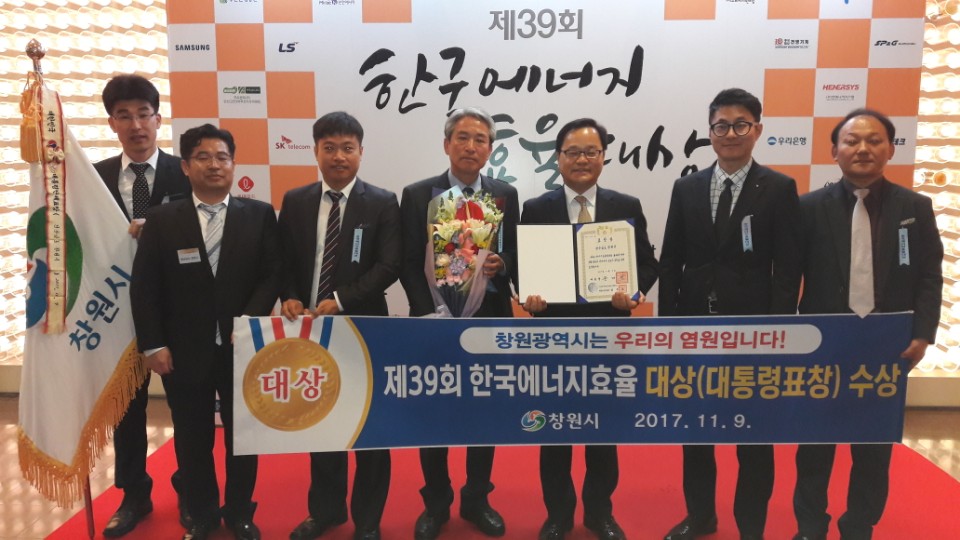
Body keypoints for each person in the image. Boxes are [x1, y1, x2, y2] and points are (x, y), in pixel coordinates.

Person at [792, 109, 943, 540]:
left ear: (891, 148)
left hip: (886, 346)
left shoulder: (915, 207)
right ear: (834, 151)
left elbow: (929, 275)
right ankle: (810, 527)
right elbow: (787, 274)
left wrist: (923, 333)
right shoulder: (808, 207)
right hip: (822, 346)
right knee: (814, 447)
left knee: (873, 451)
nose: (862, 149)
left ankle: (859, 526)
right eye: (852, 140)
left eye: (874, 140)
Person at [658, 88, 801, 540]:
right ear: (710, 132)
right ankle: (700, 517)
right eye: (721, 125)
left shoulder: (778, 188)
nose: (731, 133)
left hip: (753, 333)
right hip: (695, 330)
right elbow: (671, 260)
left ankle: (750, 527)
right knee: (696, 433)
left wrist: (777, 332)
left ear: (757, 130)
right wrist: (667, 328)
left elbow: (788, 268)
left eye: (741, 124)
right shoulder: (687, 187)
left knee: (753, 438)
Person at [130, 124, 282, 540]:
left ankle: (240, 512)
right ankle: (201, 514)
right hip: (182, 351)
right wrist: (153, 344)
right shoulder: (162, 219)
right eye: (203, 157)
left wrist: (247, 320)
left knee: (243, 437)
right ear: (185, 166)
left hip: (242, 348)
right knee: (192, 438)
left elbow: (272, 274)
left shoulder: (259, 215)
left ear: (233, 164)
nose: (214, 165)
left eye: (222, 157)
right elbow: (145, 287)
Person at [521, 117, 659, 540]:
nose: (582, 160)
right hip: (553, 336)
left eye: (591, 152)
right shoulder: (536, 208)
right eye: (573, 152)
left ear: (603, 157)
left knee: (604, 430)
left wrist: (633, 293)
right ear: (558, 158)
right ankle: (558, 516)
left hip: (608, 335)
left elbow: (648, 264)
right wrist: (528, 296)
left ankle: (600, 513)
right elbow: (524, 267)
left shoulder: (626, 205)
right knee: (554, 431)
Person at [278, 112, 401, 540]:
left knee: (370, 428)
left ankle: (368, 521)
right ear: (315, 152)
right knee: (322, 422)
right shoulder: (296, 200)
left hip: (364, 329)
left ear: (361, 153)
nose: (338, 156)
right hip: (311, 330)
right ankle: (326, 511)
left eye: (347, 148)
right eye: (329, 147)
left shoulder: (382, 201)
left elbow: (389, 265)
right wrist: (290, 295)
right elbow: (283, 260)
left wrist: (343, 299)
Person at [399, 107, 519, 540]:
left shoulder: (505, 193)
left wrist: (503, 263)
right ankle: (435, 503)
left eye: (480, 139)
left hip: (488, 319)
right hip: (432, 321)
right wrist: (427, 310)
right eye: (463, 138)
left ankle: (477, 498)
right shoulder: (418, 194)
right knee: (433, 414)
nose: (471, 147)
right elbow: (406, 260)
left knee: (482, 413)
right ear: (447, 144)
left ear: (491, 148)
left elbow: (515, 250)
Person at [95, 74, 191, 538]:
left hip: (177, 313)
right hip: (115, 313)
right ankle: (134, 495)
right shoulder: (92, 180)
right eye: (124, 116)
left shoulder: (185, 172)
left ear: (158, 118)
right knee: (126, 413)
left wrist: (158, 226)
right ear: (112, 123)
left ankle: (192, 491)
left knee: (187, 410)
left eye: (143, 114)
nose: (136, 125)